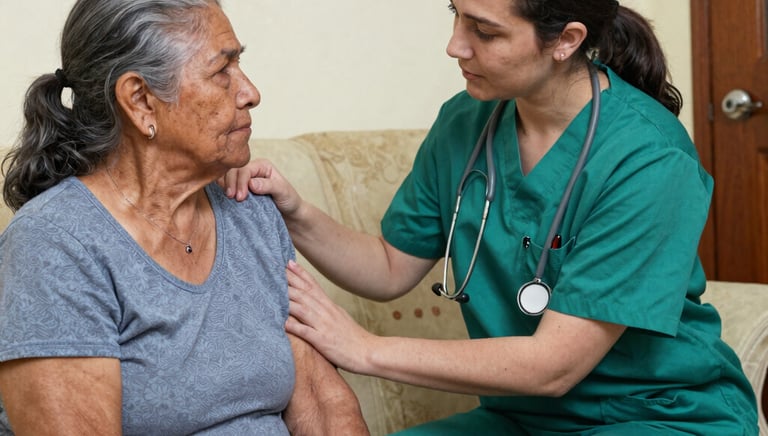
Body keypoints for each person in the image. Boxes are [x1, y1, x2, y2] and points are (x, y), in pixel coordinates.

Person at [224, 0, 760, 434]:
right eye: (456, 15)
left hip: (655, 415)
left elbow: (555, 366)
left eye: (484, 29)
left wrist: (366, 350)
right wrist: (296, 212)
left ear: (567, 41)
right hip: (521, 418)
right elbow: (390, 267)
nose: (456, 45)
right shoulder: (465, 121)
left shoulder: (648, 158)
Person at [0, 0, 369, 434]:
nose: (250, 92)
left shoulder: (248, 208)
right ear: (140, 100)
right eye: (221, 71)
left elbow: (322, 400)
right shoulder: (56, 246)